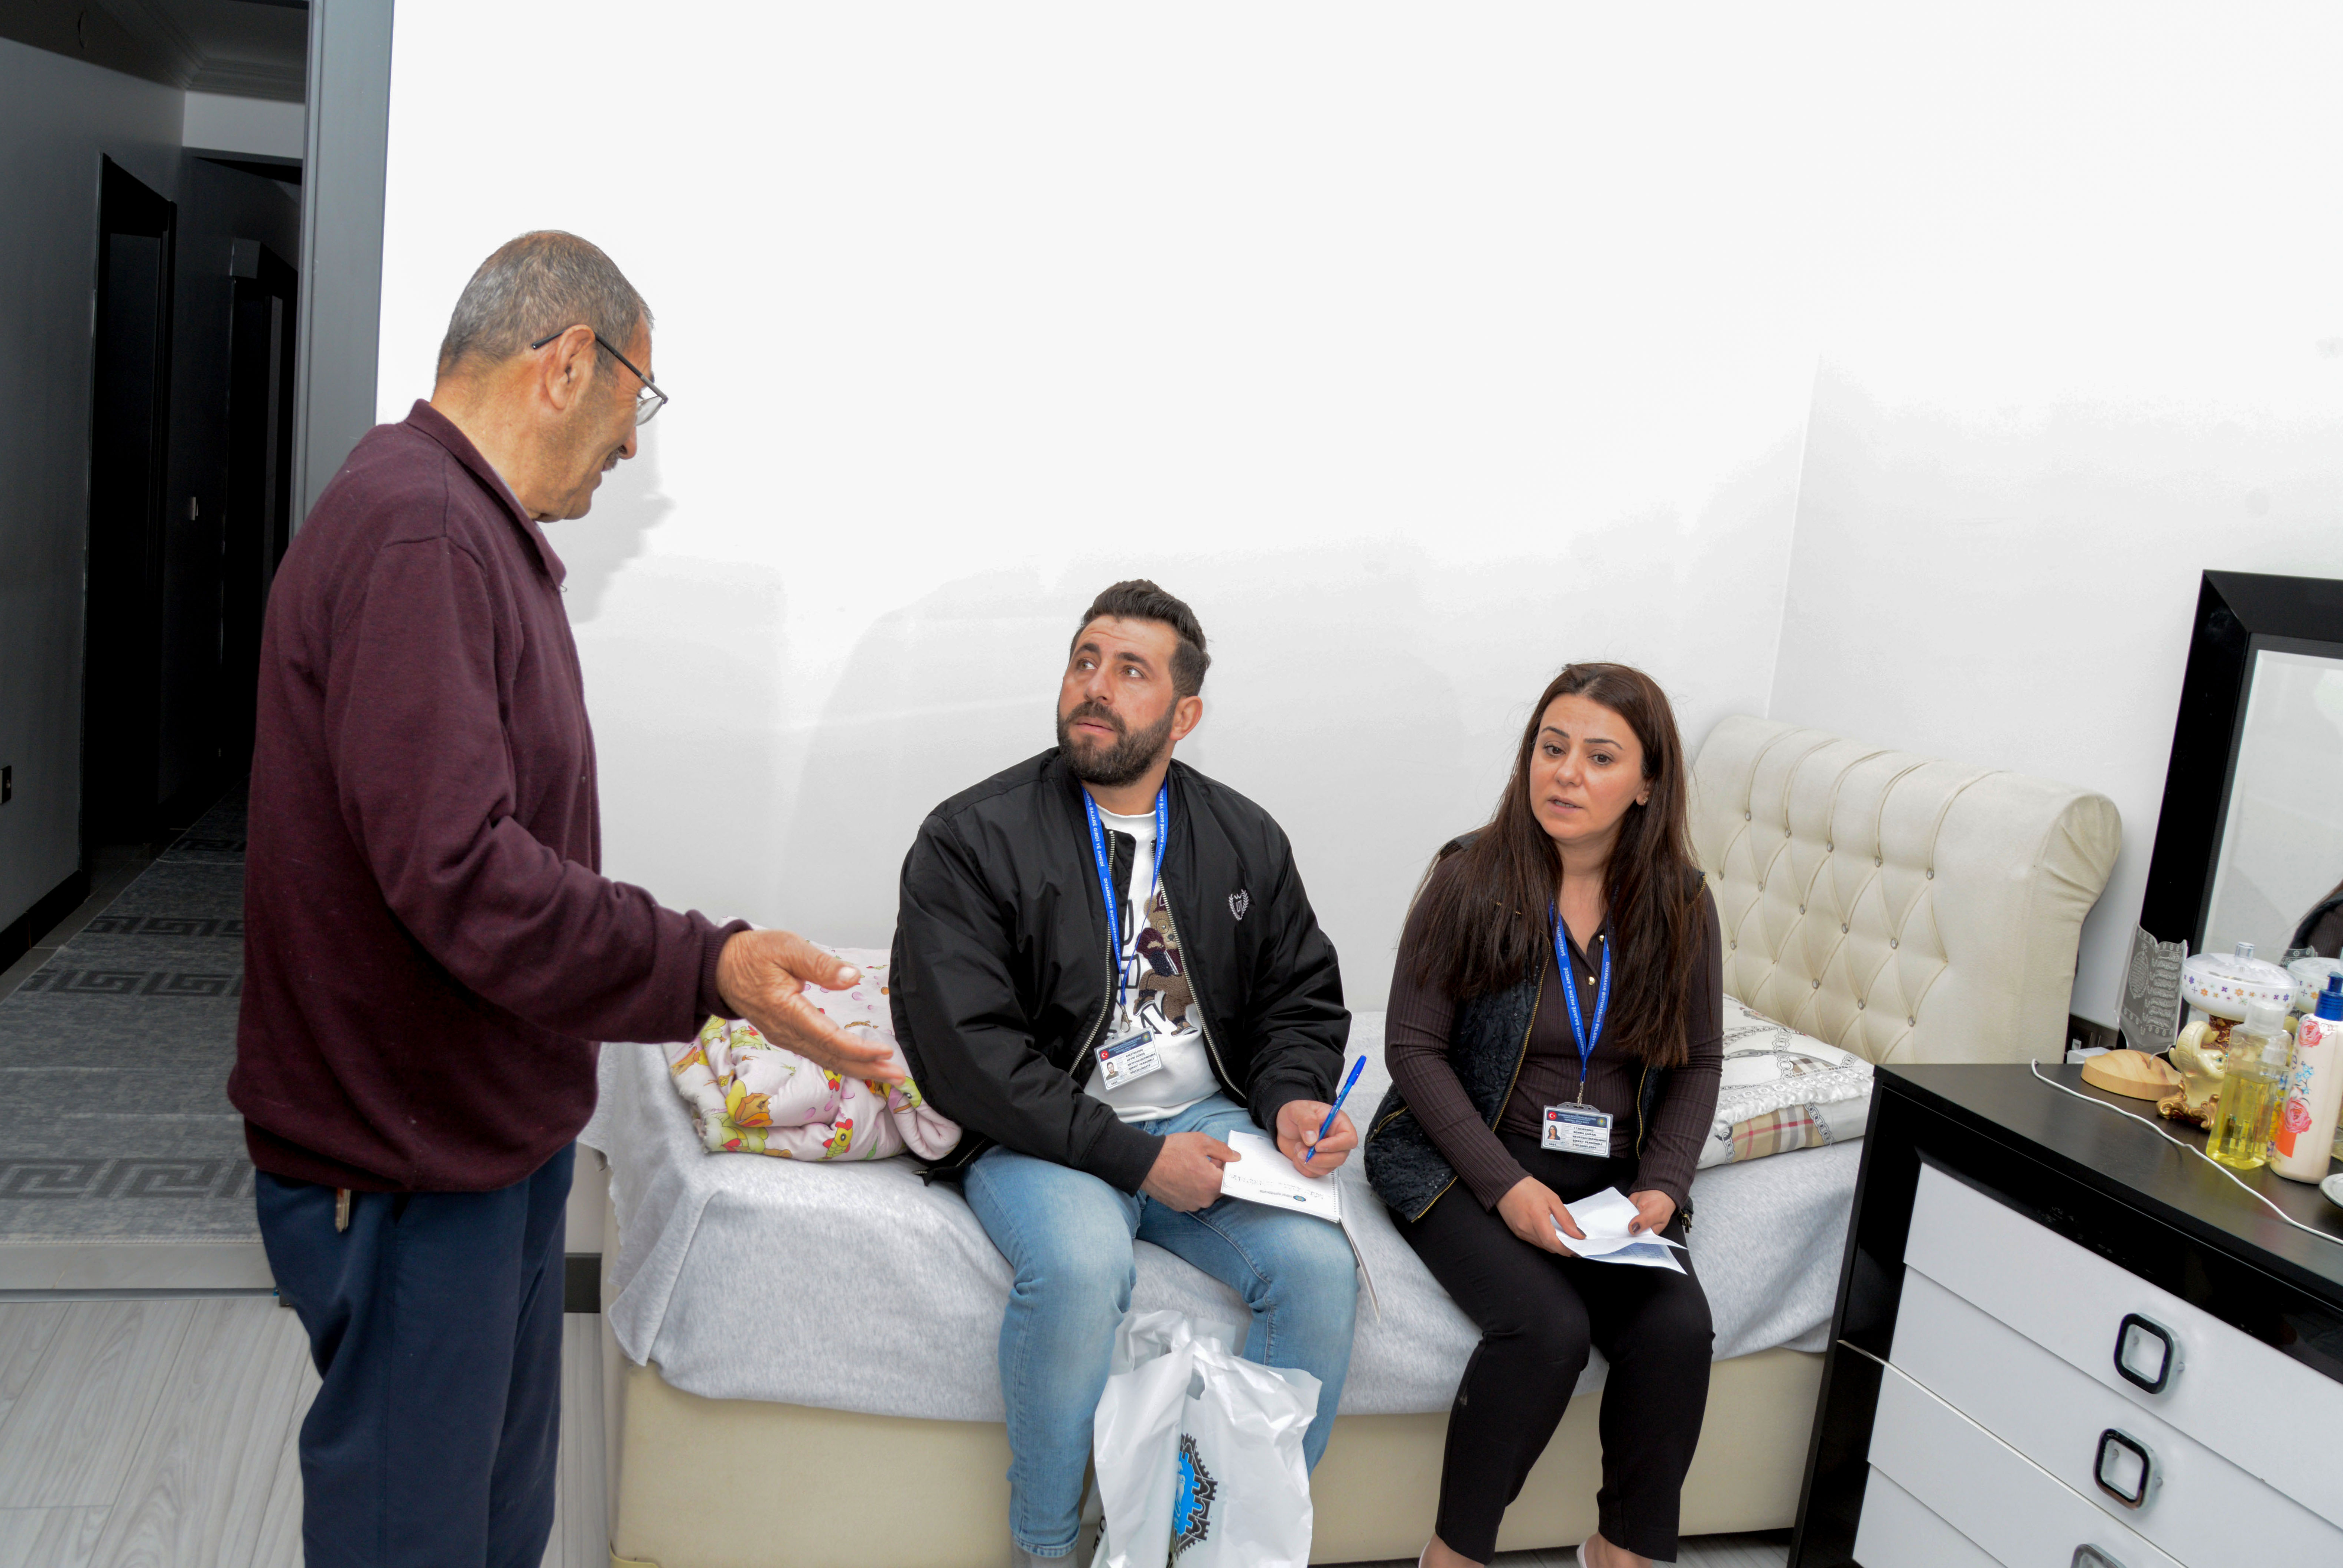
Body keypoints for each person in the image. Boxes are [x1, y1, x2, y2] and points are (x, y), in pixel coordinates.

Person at [229, 231, 900, 1568]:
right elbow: (463, 874)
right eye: (637, 399)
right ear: (567, 361)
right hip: (406, 1163)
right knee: (415, 1537)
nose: (634, 443)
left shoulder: (462, 526)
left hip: (483, 1143)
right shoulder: (422, 531)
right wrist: (707, 967)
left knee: (495, 1522)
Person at [892, 580, 1360, 1567]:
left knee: (1320, 1271)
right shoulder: (971, 837)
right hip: (1044, 1129)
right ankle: (1046, 1549)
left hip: (1202, 1114)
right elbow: (968, 1051)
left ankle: (1216, 1548)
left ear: (1184, 715)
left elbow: (1298, 998)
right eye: (1085, 660)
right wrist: (1139, 1161)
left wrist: (1291, 1095)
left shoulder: (1243, 838)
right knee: (1079, 1268)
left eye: (1130, 670)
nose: (1095, 686)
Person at [1364, 663, 1723, 1568]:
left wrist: (1663, 1183)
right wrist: (1506, 1186)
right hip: (1463, 1157)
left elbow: (1698, 1061)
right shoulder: (1468, 876)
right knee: (1545, 1328)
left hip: (1609, 1181)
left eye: (1599, 756)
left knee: (1676, 1329)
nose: (1564, 773)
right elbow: (1411, 1049)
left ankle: (1620, 1549)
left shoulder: (1680, 902)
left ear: (1646, 783)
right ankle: (1452, 1554)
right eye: (1550, 747)